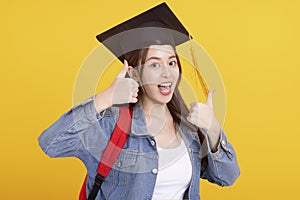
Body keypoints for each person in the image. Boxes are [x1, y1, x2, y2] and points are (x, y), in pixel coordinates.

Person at [38, 3, 240, 200]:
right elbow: (51, 143)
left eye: (171, 62)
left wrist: (213, 127)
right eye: (154, 64)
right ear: (134, 74)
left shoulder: (189, 128)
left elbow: (227, 177)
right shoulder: (110, 125)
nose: (167, 72)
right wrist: (106, 97)